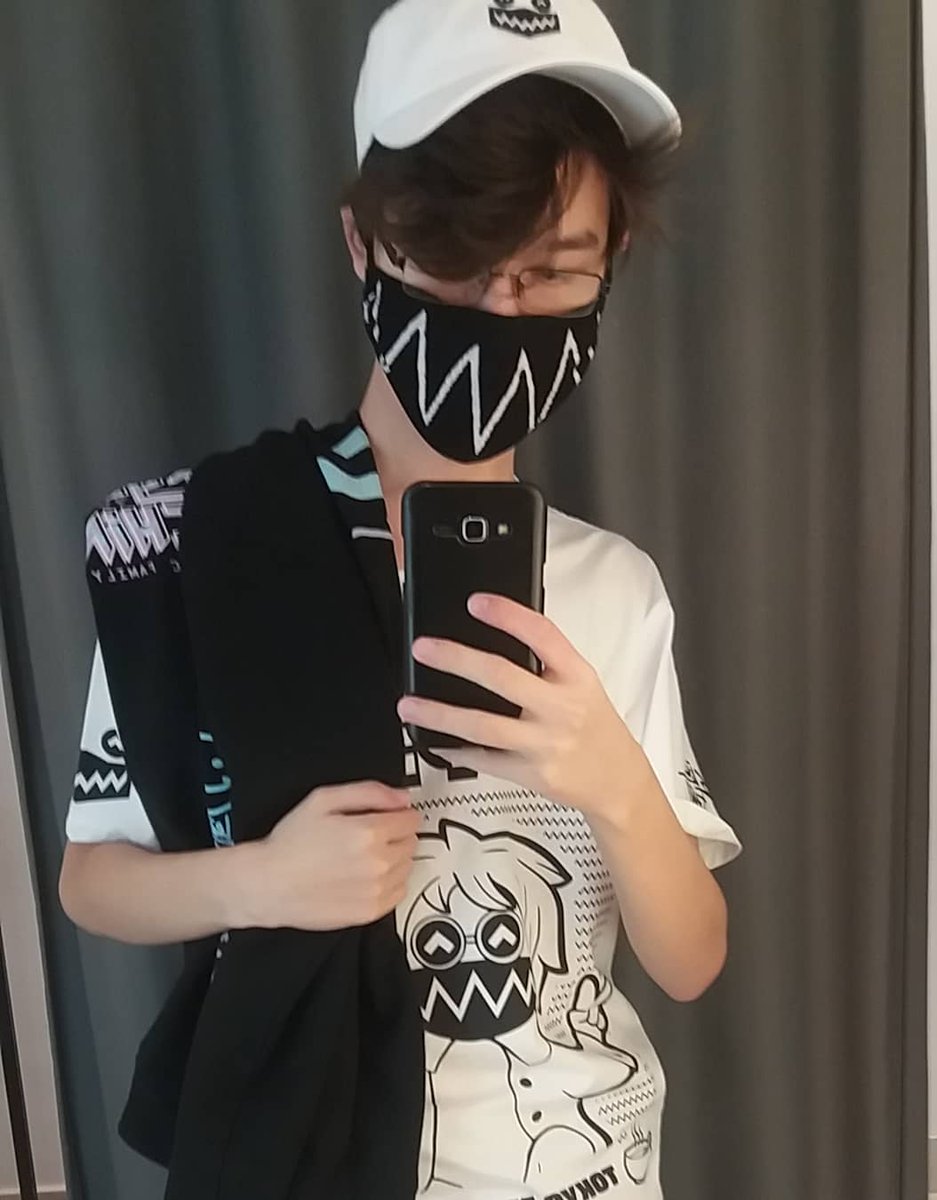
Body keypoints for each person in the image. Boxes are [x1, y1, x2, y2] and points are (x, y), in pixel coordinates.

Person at [60, 1, 743, 1197]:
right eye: (457, 259)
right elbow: (93, 880)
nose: (502, 311)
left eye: (552, 270)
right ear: (364, 243)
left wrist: (613, 781)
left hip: (585, 1164)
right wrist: (265, 882)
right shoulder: (198, 545)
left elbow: (689, 963)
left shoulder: (616, 587)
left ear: (611, 264)